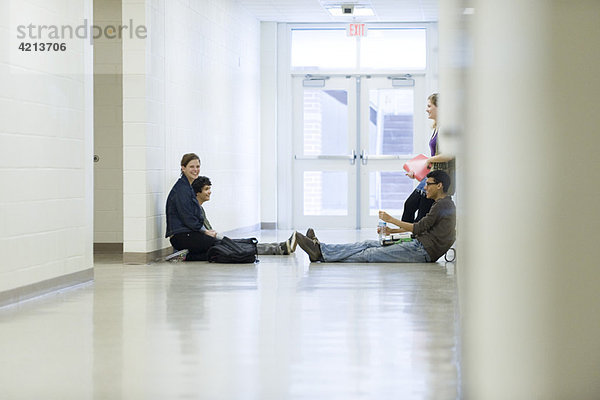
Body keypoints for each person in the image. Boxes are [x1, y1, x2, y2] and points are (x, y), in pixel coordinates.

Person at [295, 170, 455, 263]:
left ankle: (322, 256)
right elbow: (420, 230)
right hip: (418, 244)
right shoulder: (440, 204)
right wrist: (392, 231)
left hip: (423, 251)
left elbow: (419, 227)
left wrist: (390, 219)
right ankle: (321, 249)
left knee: (370, 254)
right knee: (367, 244)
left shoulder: (443, 205)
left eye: (428, 184)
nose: (425, 187)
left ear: (439, 186)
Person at [191, 176, 296, 255]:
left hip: (213, 239)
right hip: (209, 243)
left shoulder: (199, 208)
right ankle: (279, 248)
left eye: (209, 189)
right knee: (240, 245)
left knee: (244, 241)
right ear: (197, 193)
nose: (209, 192)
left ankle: (280, 246)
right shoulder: (194, 210)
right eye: (206, 189)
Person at [402, 93, 455, 223]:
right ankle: (405, 238)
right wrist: (418, 172)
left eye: (429, 106)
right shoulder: (436, 128)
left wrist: (429, 160)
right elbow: (435, 159)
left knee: (422, 214)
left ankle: (414, 241)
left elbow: (449, 154)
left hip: (439, 180)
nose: (427, 109)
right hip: (431, 175)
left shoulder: (446, 128)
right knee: (409, 205)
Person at [165, 153, 217, 261]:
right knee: (216, 245)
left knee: (216, 248)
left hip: (188, 233)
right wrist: (204, 231)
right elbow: (187, 216)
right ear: (183, 168)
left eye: (197, 167)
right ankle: (186, 256)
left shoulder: (188, 187)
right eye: (191, 167)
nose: (195, 170)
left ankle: (186, 256)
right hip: (181, 236)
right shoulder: (181, 189)